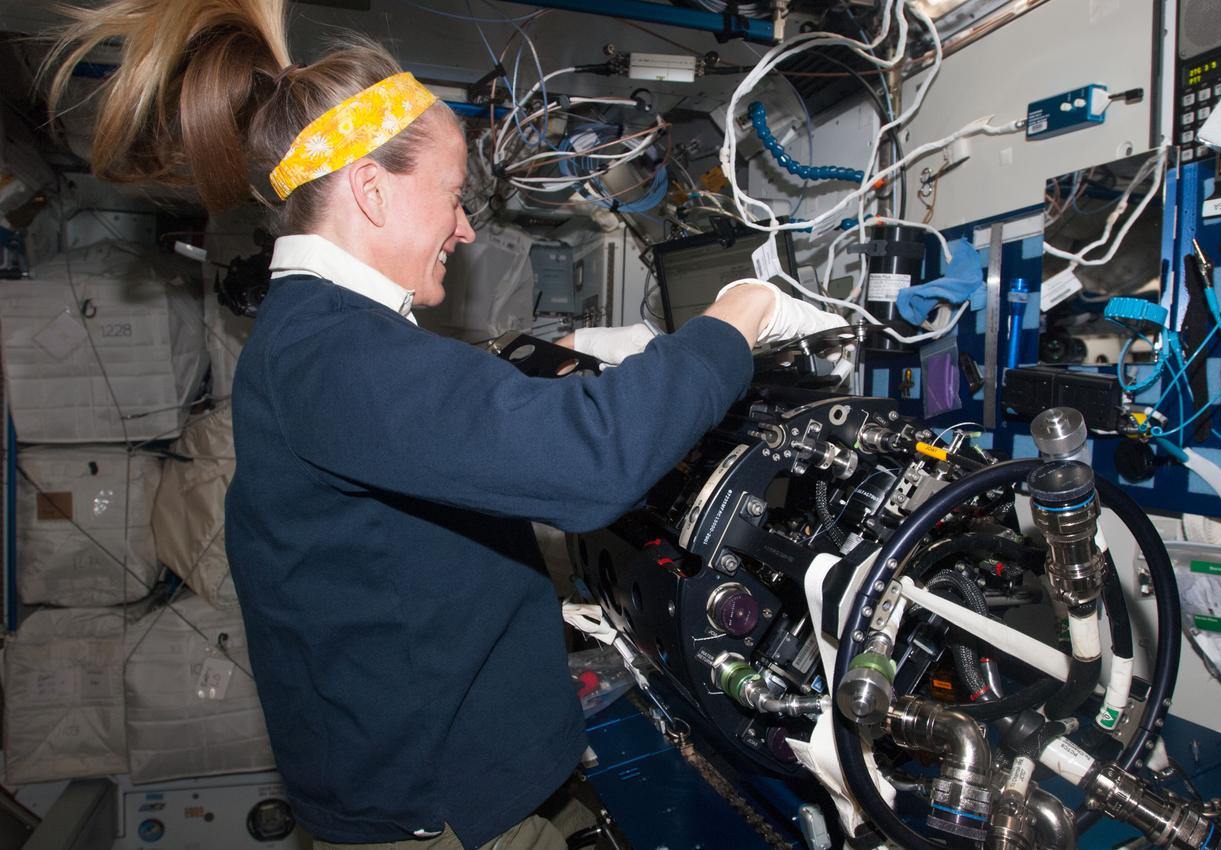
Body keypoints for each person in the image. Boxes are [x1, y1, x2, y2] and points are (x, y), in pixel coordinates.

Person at [46, 2, 845, 848]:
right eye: (454, 198)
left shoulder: (323, 338)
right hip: (442, 815)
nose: (464, 229)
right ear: (370, 189)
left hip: (462, 773)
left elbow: (425, 431)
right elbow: (591, 464)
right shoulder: (333, 353)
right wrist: (737, 316)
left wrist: (549, 358)